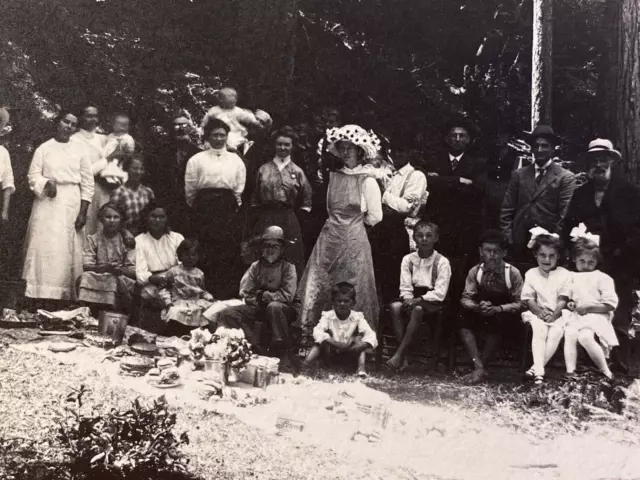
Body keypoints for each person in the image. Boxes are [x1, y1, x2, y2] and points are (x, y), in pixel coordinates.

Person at [296, 125, 382, 343]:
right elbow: (329, 208)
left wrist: (354, 224)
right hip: (330, 238)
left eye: (350, 148)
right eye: (342, 148)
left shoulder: (368, 180)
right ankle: (315, 336)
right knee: (322, 281)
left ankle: (355, 340)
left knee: (353, 283)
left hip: (354, 238)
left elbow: (375, 216)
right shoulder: (334, 177)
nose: (345, 152)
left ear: (360, 151)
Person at [563, 139, 640, 373]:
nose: (599, 165)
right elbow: (568, 225)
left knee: (618, 310)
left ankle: (619, 362)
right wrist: (576, 245)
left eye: (603, 160)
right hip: (588, 265)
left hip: (621, 262)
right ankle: (593, 361)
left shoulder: (629, 192)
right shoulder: (581, 194)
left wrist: (620, 251)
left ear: (613, 163)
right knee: (588, 308)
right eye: (594, 161)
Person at [22, 111, 94, 304]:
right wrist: (46, 183)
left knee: (66, 250)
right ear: (57, 123)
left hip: (71, 202)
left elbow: (88, 183)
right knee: (43, 246)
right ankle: (37, 296)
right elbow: (32, 176)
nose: (68, 126)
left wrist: (83, 211)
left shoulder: (80, 150)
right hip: (47, 203)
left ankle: (63, 298)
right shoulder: (44, 148)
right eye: (65, 122)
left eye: (73, 124)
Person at [217, 226, 298, 364]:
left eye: (275, 246)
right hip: (257, 307)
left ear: (282, 249)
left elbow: (288, 295)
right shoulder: (256, 266)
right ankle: (252, 345)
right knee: (227, 313)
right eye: (266, 246)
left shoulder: (288, 267)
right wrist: (258, 301)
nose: (270, 250)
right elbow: (246, 292)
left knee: (274, 307)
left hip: (283, 310)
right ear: (261, 248)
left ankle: (282, 350)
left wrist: (267, 296)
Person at [185, 118, 246, 298]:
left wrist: (232, 207)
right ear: (208, 136)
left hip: (227, 208)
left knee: (226, 250)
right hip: (204, 208)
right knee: (205, 248)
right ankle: (204, 292)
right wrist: (200, 208)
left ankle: (225, 294)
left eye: (222, 135)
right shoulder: (197, 159)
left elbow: (239, 188)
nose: (218, 139)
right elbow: (190, 189)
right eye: (215, 135)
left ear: (227, 137)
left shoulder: (235, 160)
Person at [500, 125, 576, 260]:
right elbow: (507, 209)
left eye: (545, 146)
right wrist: (508, 237)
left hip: (548, 245)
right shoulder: (519, 174)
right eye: (536, 146)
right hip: (519, 242)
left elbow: (565, 214)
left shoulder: (565, 177)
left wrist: (554, 240)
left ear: (553, 149)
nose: (539, 149)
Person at [459, 230, 524, 383]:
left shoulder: (512, 273)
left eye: (497, 251)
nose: (492, 255)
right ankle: (479, 366)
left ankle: (482, 366)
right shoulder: (475, 271)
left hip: (503, 313)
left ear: (504, 253)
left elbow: (521, 302)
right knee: (462, 319)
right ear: (481, 251)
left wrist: (498, 309)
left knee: (499, 323)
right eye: (488, 251)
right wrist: (477, 307)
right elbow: (465, 297)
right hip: (481, 309)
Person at [386, 221, 451, 371]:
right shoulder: (408, 260)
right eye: (419, 236)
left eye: (429, 236)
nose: (424, 239)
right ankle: (405, 357)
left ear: (436, 238)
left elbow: (440, 292)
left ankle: (400, 355)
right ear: (414, 238)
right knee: (395, 307)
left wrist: (419, 300)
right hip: (413, 297)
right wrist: (408, 299)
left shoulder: (442, 262)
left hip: (433, 300)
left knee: (418, 310)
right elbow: (405, 286)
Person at [249, 126, 312, 277]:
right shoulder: (264, 169)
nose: (282, 148)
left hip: (288, 217)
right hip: (266, 216)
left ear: (292, 146)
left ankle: (291, 292)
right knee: (265, 251)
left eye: (287, 144)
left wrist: (300, 216)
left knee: (291, 254)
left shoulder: (297, 171)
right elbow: (255, 197)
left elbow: (306, 199)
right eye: (279, 144)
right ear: (274, 145)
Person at [369, 145, 427, 303]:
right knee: (376, 277)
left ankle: (393, 320)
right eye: (394, 151)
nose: (397, 155)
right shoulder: (386, 172)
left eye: (401, 150)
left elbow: (407, 207)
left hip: (397, 230)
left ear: (409, 152)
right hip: (378, 228)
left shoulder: (416, 176)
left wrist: (383, 194)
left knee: (394, 278)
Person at [423, 121, 487, 260]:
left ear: (468, 140)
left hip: (464, 223)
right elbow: (428, 182)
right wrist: (458, 181)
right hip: (439, 219)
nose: (457, 139)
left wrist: (442, 181)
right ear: (447, 139)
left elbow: (478, 189)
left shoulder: (477, 163)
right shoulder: (435, 160)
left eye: (462, 136)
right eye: (454, 135)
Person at [562, 227, 619, 380]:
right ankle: (570, 371)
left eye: (590, 262)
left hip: (597, 315)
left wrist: (589, 307)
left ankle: (606, 371)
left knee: (585, 337)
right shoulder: (571, 276)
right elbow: (569, 297)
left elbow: (610, 304)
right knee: (570, 334)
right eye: (582, 261)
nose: (586, 265)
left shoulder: (602, 278)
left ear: (597, 262)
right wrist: (571, 304)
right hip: (577, 316)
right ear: (574, 259)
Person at [520, 228, 571, 384]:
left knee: (556, 332)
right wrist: (539, 312)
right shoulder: (531, 273)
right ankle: (539, 372)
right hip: (537, 313)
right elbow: (529, 298)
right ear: (535, 254)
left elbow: (563, 298)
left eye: (551, 256)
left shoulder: (564, 274)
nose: (547, 260)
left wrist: (554, 315)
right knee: (539, 330)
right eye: (542, 255)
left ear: (558, 256)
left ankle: (535, 369)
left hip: (558, 313)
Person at [302, 281, 378, 378]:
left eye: (346, 301)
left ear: (353, 303)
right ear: (333, 302)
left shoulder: (357, 317)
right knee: (318, 343)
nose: (342, 304)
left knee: (359, 340)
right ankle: (305, 365)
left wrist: (360, 345)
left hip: (350, 352)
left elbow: (371, 335)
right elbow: (317, 331)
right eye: (339, 301)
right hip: (332, 352)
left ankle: (361, 369)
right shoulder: (328, 316)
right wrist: (331, 341)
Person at [147, 113, 201, 236]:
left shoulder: (198, 153)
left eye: (184, 125)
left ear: (190, 129)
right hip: (166, 206)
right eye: (176, 126)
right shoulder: (159, 152)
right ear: (171, 129)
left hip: (189, 207)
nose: (181, 128)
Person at [77, 203, 136, 311]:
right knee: (84, 277)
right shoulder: (93, 239)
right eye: (108, 217)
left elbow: (132, 270)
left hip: (120, 278)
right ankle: (86, 311)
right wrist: (105, 268)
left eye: (116, 217)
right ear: (101, 219)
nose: (112, 220)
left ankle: (110, 312)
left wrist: (119, 270)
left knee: (112, 279)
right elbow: (87, 265)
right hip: (98, 275)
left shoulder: (126, 241)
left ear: (121, 220)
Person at [135, 201, 184, 308]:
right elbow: (140, 274)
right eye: (153, 216)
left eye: (162, 217)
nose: (157, 220)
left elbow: (184, 265)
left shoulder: (177, 238)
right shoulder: (139, 241)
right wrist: (157, 279)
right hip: (152, 284)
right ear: (146, 217)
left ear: (167, 219)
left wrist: (172, 278)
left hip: (177, 281)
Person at [71, 105, 111, 236]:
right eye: (89, 116)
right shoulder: (74, 140)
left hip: (104, 189)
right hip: (84, 190)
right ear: (81, 118)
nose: (93, 119)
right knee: (85, 225)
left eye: (95, 116)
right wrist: (107, 160)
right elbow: (84, 171)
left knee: (102, 226)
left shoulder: (104, 139)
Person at [160, 239, 215, 330]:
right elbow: (165, 289)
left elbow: (202, 291)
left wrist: (209, 297)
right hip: (179, 301)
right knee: (175, 312)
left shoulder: (199, 273)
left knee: (209, 310)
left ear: (198, 256)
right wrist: (168, 302)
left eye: (193, 255)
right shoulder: (173, 271)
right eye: (187, 255)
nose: (190, 258)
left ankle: (199, 333)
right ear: (180, 256)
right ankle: (177, 331)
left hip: (196, 301)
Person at [200, 87, 263, 151]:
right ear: (221, 100)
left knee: (232, 141)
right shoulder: (214, 110)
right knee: (210, 142)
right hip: (218, 132)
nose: (234, 99)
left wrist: (254, 122)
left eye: (235, 97)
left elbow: (247, 117)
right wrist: (203, 127)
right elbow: (206, 121)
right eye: (231, 96)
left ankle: (231, 151)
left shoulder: (238, 111)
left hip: (234, 133)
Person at [110, 155, 155, 236]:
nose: (138, 172)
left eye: (141, 169)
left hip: (146, 236)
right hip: (126, 237)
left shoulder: (148, 192)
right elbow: (112, 219)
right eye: (134, 168)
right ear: (127, 169)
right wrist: (125, 232)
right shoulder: (119, 192)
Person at [101, 112, 135, 188]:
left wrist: (125, 154)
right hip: (109, 156)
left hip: (120, 159)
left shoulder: (128, 138)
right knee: (107, 168)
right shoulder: (110, 135)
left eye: (125, 125)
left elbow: (130, 151)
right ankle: (109, 179)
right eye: (119, 125)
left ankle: (117, 180)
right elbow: (106, 145)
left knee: (118, 169)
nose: (122, 128)